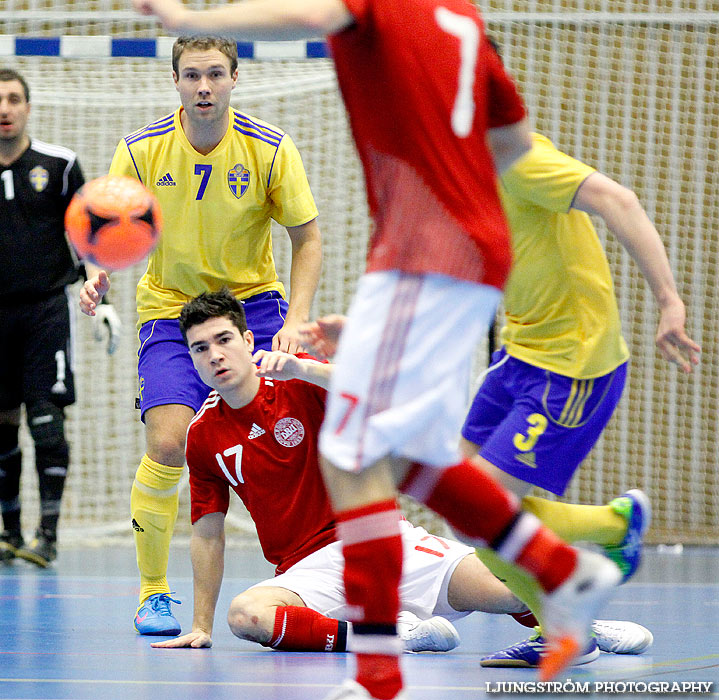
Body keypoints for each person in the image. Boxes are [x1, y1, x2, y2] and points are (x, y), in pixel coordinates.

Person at [132, 1, 624, 696]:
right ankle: (553, 570)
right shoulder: (461, 20)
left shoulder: (386, 9)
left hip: (431, 243)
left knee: (357, 450)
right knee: (404, 454)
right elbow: (510, 141)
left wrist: (189, 13)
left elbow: (303, 13)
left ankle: (383, 669)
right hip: (444, 245)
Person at [152, 289, 651, 664]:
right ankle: (392, 634)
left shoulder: (299, 378)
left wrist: (308, 372)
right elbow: (207, 532)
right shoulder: (203, 435)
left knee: (507, 589)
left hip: (381, 537)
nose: (215, 355)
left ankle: (583, 626)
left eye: (223, 340)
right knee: (247, 615)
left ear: (248, 339)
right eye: (199, 349)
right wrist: (200, 624)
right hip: (307, 572)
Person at [78, 36, 322, 636]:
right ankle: (154, 593)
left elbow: (307, 237)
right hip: (171, 309)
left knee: (304, 428)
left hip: (256, 310)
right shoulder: (140, 150)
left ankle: (324, 561)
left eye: (216, 74)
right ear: (176, 82)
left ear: (236, 78)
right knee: (167, 443)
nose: (204, 87)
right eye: (192, 76)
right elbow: (105, 230)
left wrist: (295, 321)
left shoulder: (269, 150)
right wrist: (95, 275)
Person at [456, 65, 699, 663]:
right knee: (461, 509)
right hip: (517, 353)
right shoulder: (455, 167)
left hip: (573, 363)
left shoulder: (519, 159)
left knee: (486, 507)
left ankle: (614, 528)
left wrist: (669, 300)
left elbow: (619, 199)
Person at [0, 68, 118, 567]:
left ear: (28, 106)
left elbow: (88, 233)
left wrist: (98, 287)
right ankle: (10, 534)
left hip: (46, 310)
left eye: (13, 99)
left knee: (47, 423)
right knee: (2, 427)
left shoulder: (61, 164)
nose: (4, 109)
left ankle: (46, 537)